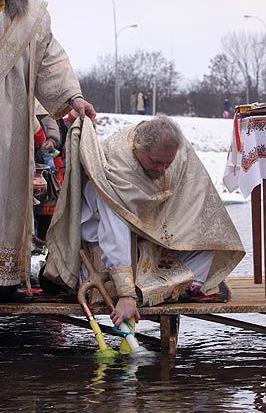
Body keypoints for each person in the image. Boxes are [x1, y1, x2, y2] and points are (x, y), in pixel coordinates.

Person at [44, 115, 245, 328]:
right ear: (138, 149)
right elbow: (114, 234)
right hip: (104, 247)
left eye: (168, 163)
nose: (162, 169)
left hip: (148, 242)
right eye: (156, 162)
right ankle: (149, 290)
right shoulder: (112, 170)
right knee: (119, 252)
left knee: (208, 242)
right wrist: (125, 294)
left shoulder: (176, 157)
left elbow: (197, 204)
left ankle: (174, 286)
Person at [0, 0, 96, 301]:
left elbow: (53, 63)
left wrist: (74, 99)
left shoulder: (34, 15)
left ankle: (2, 282)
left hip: (11, 130)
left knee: (7, 199)